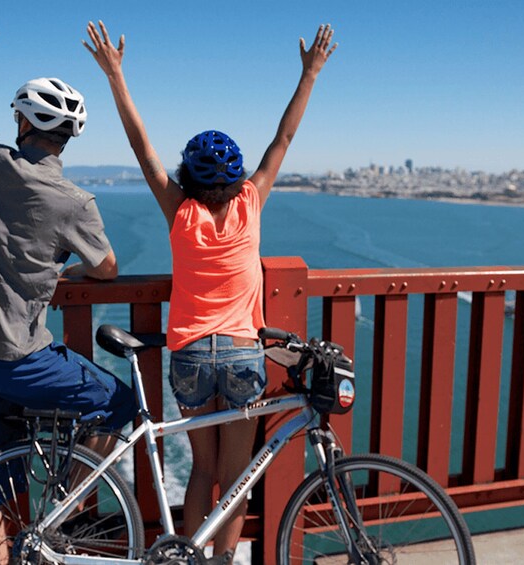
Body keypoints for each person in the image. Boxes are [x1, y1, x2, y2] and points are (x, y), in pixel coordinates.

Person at [83, 18, 337, 562]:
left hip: (191, 353)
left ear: (189, 179)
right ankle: (222, 559)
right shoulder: (250, 202)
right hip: (243, 352)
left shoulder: (181, 212)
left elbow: (140, 145)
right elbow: (283, 137)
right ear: (238, 178)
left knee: (202, 467)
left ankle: (189, 556)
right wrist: (310, 73)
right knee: (238, 475)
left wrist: (115, 75)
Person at [0, 4, 136, 563]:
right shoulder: (75, 204)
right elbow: (108, 268)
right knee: (117, 403)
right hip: (20, 358)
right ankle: (65, 508)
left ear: (23, 123)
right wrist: (62, 269)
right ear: (68, 136)